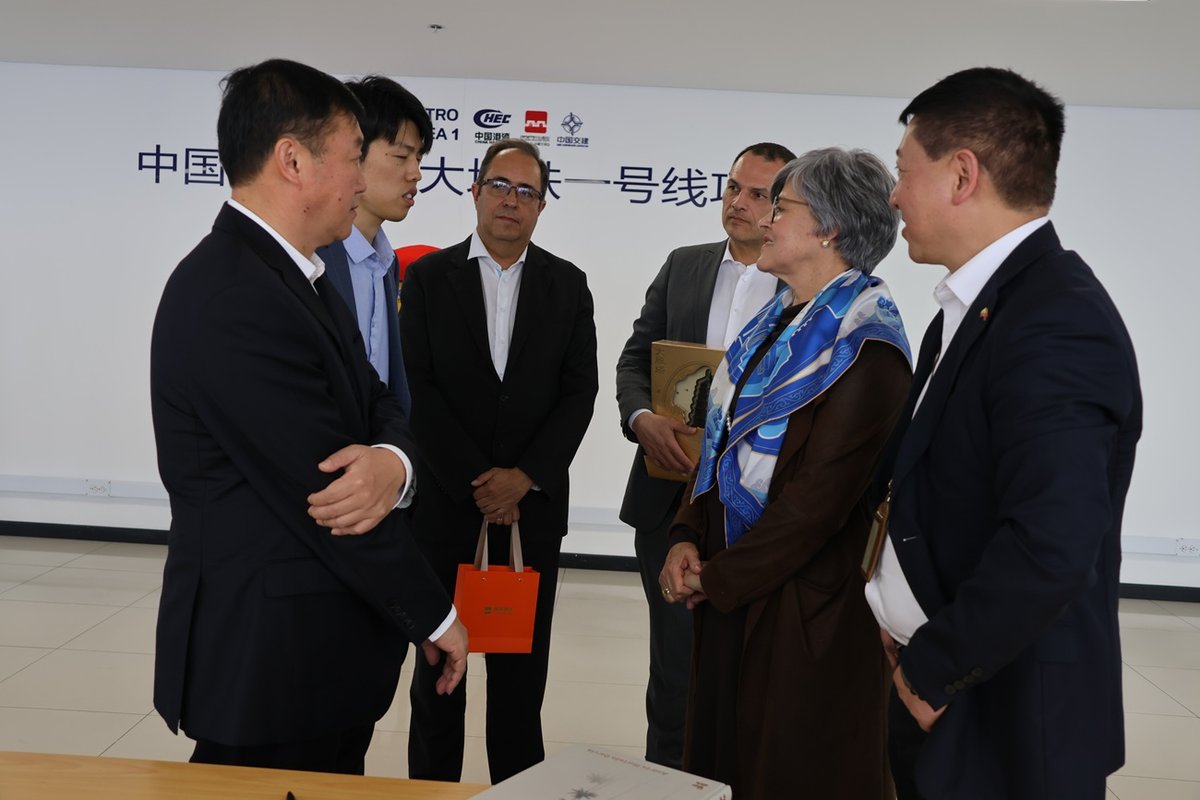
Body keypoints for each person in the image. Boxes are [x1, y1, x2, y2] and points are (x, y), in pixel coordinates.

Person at [149, 58, 467, 774]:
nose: (361, 181)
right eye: (355, 157)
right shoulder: (234, 295)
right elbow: (330, 495)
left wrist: (395, 460)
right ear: (292, 160)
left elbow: (381, 400)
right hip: (267, 660)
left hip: (313, 653)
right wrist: (435, 615)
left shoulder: (302, 275)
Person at [867, 67, 1142, 800]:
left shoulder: (1056, 321)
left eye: (903, 171)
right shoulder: (968, 308)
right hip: (950, 693)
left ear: (961, 175)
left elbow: (1052, 544)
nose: (894, 195)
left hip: (998, 716)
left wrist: (930, 672)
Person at [660, 148, 912, 799]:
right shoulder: (774, 323)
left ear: (829, 227)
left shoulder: (869, 346)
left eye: (782, 206)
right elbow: (717, 441)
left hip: (805, 615)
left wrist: (718, 578)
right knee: (719, 773)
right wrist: (687, 535)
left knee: (786, 772)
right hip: (732, 590)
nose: (766, 221)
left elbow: (815, 505)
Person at [400, 138, 598, 784]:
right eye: (500, 186)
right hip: (447, 511)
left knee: (520, 684)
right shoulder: (428, 280)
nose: (511, 201)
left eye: (526, 191)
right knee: (438, 679)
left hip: (531, 513)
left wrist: (525, 477)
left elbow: (579, 390)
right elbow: (417, 386)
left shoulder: (567, 285)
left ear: (542, 206)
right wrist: (476, 480)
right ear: (475, 191)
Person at [615, 142, 795, 768]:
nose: (738, 204)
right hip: (668, 499)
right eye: (733, 188)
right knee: (674, 676)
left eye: (759, 195)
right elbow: (636, 358)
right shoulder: (683, 265)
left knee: (749, 676)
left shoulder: (801, 288)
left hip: (757, 515)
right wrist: (642, 420)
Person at [316, 76, 429, 415]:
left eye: (419, 158)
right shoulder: (309, 260)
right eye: (401, 157)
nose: (416, 174)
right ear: (354, 152)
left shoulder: (386, 263)